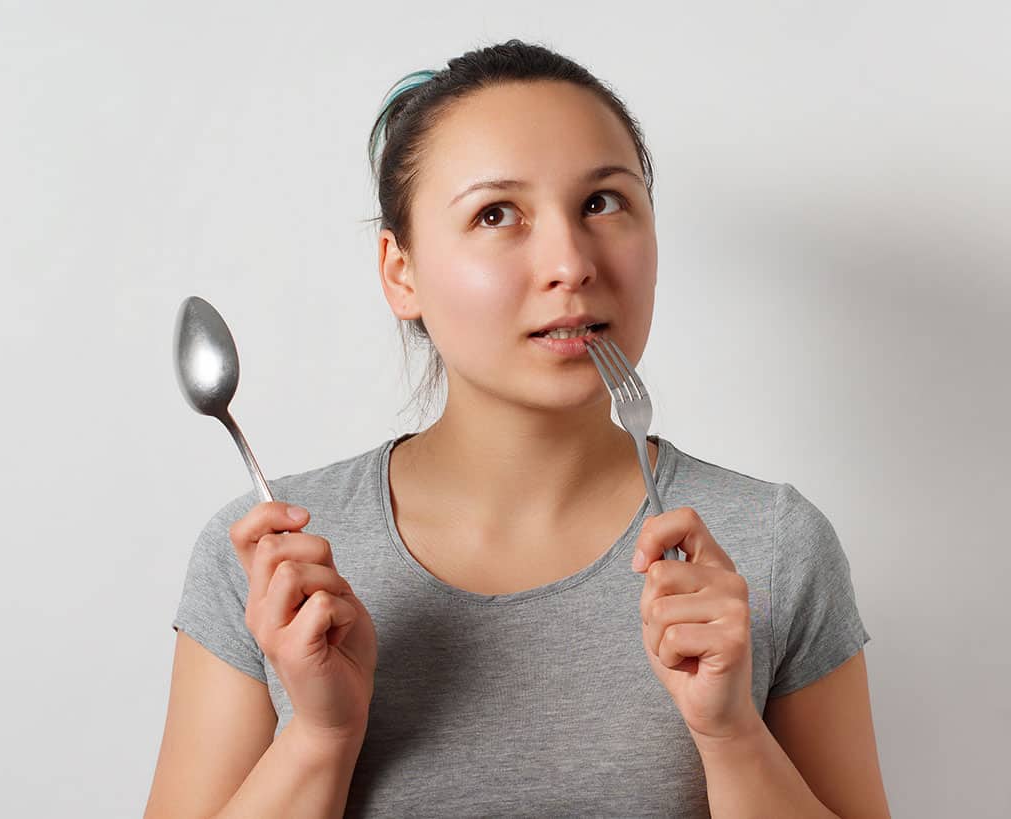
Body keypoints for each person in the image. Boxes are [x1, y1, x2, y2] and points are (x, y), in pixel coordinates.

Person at [144, 39, 890, 818]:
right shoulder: (267, 563)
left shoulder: (773, 547)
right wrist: (319, 736)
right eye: (496, 214)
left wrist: (732, 735)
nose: (570, 263)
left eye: (602, 202)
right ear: (401, 271)